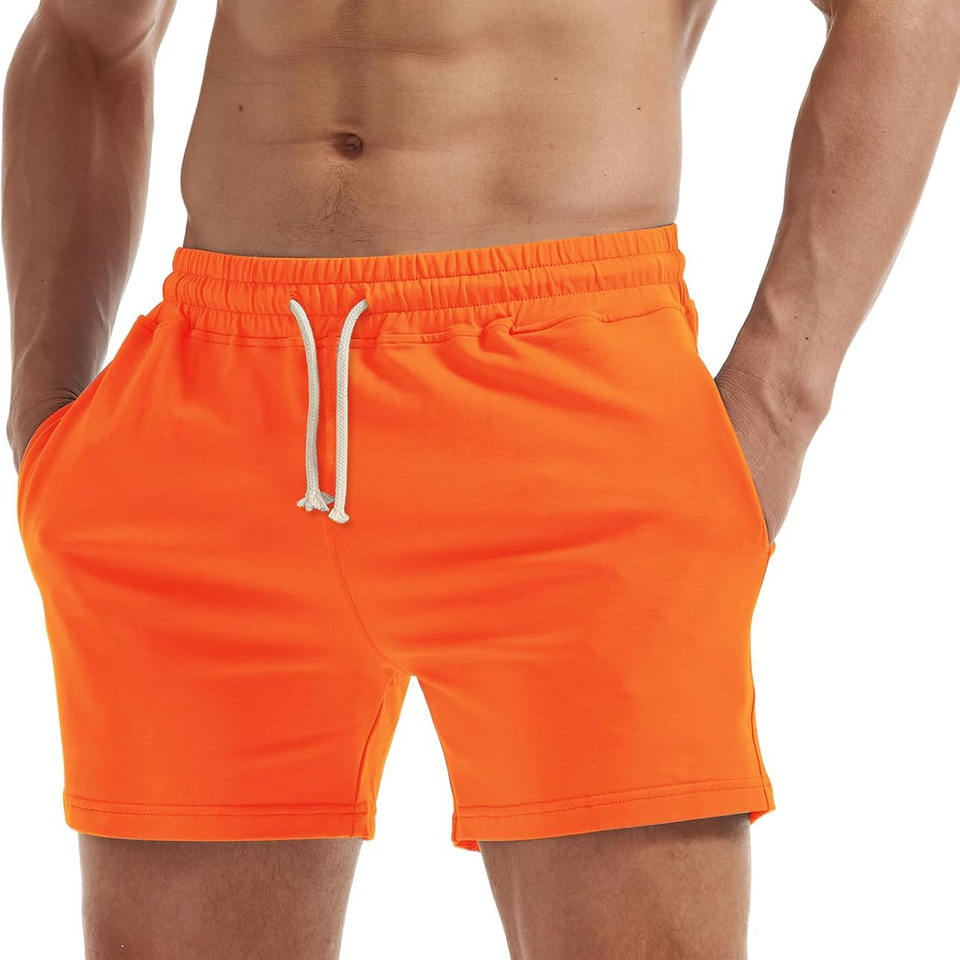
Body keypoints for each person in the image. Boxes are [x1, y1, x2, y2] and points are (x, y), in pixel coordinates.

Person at [4, 0, 957, 957]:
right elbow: (85, 38)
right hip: (206, 423)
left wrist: (779, 400)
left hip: (566, 404)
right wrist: (43, 393)